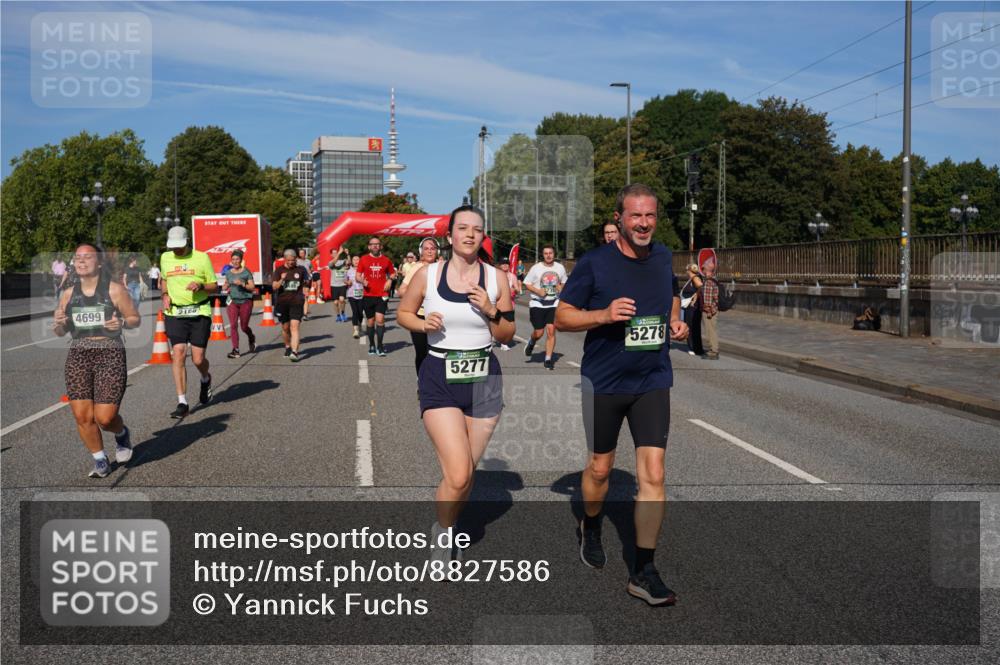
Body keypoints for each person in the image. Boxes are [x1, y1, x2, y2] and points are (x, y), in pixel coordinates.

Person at [555, 183, 687, 606]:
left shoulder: (664, 256)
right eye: (635, 216)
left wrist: (675, 322)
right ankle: (590, 524)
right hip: (605, 382)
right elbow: (562, 315)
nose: (644, 223)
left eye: (650, 215)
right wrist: (603, 315)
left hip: (652, 379)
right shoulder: (596, 263)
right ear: (620, 219)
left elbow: (670, 295)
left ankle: (644, 571)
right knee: (599, 470)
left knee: (654, 473)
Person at [397, 205, 514, 561]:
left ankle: (446, 521)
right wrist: (423, 325)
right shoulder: (428, 276)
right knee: (460, 474)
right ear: (450, 236)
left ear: (483, 236)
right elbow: (404, 312)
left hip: (485, 379)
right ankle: (444, 535)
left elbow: (508, 333)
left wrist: (491, 311)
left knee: (463, 475)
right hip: (440, 377)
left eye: (476, 229)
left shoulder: (496, 279)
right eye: (462, 228)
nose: (469, 234)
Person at [53, 243, 141, 478]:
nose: (81, 261)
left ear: (99, 262)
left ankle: (121, 433)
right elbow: (59, 331)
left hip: (109, 351)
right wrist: (60, 323)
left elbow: (134, 319)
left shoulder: (114, 290)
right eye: (77, 257)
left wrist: (122, 323)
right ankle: (100, 460)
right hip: (79, 353)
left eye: (87, 257)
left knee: (105, 417)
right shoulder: (68, 294)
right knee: (82, 415)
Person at [160, 226, 218, 418]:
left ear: (187, 241)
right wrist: (165, 294)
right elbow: (164, 279)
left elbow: (213, 285)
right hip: (175, 312)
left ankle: (205, 378)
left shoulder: (202, 258)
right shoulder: (165, 258)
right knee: (178, 353)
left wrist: (200, 285)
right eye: (173, 246)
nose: (176, 250)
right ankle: (182, 402)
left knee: (198, 358)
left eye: (179, 246)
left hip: (199, 311)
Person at [398, 237, 443, 374]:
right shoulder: (416, 268)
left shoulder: (443, 267)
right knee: (422, 352)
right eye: (426, 249)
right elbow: (401, 291)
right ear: (421, 252)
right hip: (420, 316)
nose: (429, 251)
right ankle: (422, 382)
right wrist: (420, 295)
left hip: (439, 316)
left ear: (437, 251)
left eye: (432, 248)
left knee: (439, 353)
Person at [522, 244, 567, 370]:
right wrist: (538, 291)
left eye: (550, 253)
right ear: (543, 255)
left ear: (554, 254)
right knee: (539, 332)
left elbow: (564, 282)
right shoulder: (536, 268)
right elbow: (527, 283)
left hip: (553, 303)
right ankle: (531, 341)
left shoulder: (560, 268)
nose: (548, 255)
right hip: (538, 302)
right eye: (546, 253)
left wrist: (561, 288)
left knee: (551, 331)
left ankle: (548, 359)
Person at [357, 237, 396, 357]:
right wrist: (362, 281)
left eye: (377, 244)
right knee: (370, 321)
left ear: (381, 247)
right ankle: (372, 345)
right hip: (368, 294)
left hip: (382, 295)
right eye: (372, 244)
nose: (375, 246)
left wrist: (390, 279)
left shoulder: (386, 260)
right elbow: (358, 275)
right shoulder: (363, 259)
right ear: (369, 246)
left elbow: (393, 273)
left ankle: (380, 345)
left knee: (380, 320)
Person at [273, 248, 310, 361]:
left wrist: (306, 287)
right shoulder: (279, 271)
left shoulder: (301, 269)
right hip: (282, 303)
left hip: (297, 302)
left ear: (296, 259)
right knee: (285, 328)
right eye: (288, 260)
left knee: (294, 327)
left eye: (293, 260)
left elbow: (307, 281)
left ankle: (295, 352)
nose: (291, 262)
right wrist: (282, 280)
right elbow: (274, 287)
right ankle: (288, 346)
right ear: (285, 259)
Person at [224, 250, 256, 358]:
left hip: (245, 301)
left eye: (237, 259)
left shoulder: (246, 272)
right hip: (232, 301)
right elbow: (226, 284)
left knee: (243, 327)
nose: (235, 261)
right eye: (233, 259)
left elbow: (252, 287)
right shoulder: (228, 273)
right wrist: (225, 286)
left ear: (241, 260)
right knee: (233, 325)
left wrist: (242, 283)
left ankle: (251, 337)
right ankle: (236, 350)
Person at [497, 259, 521, 351]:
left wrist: (514, 290)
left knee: (508, 323)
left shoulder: (512, 276)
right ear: (500, 266)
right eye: (503, 264)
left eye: (506, 264)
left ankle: (504, 343)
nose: (505, 266)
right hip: (498, 303)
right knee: (497, 322)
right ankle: (497, 337)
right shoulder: (496, 276)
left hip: (509, 303)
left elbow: (517, 289)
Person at [681, 263, 704, 357]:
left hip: (692, 307)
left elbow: (701, 287)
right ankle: (697, 348)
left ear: (689, 271)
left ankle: (692, 347)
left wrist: (695, 296)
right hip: (691, 307)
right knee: (694, 327)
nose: (686, 272)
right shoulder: (692, 279)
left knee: (690, 326)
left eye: (687, 270)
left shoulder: (694, 278)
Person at [700, 257, 721, 360]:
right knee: (712, 329)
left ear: (707, 269)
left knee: (710, 331)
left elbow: (708, 299)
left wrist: (708, 311)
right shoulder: (715, 279)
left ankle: (713, 351)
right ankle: (713, 349)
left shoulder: (708, 282)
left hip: (710, 311)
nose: (702, 270)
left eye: (703, 268)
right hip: (715, 309)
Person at [345, 254, 365, 338]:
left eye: (358, 259)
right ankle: (356, 330)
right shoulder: (348, 271)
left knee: (360, 312)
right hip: (351, 294)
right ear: (352, 262)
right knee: (355, 312)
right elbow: (344, 279)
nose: (356, 261)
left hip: (362, 293)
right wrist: (347, 282)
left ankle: (359, 325)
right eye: (354, 260)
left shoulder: (364, 270)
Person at [328, 246, 350, 322]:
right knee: (335, 302)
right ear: (331, 255)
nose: (335, 254)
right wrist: (340, 253)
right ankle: (338, 315)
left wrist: (347, 254)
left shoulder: (342, 261)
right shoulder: (330, 263)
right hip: (334, 285)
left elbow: (349, 262)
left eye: (336, 253)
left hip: (342, 284)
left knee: (342, 300)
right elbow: (332, 263)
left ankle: (343, 313)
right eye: (333, 253)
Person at [297, 249, 313, 320]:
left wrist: (310, 271)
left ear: (305, 254)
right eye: (300, 253)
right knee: (300, 297)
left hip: (307, 280)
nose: (301, 254)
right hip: (298, 281)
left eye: (303, 253)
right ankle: (299, 312)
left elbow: (311, 269)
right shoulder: (296, 261)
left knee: (306, 296)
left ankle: (305, 314)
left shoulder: (308, 261)